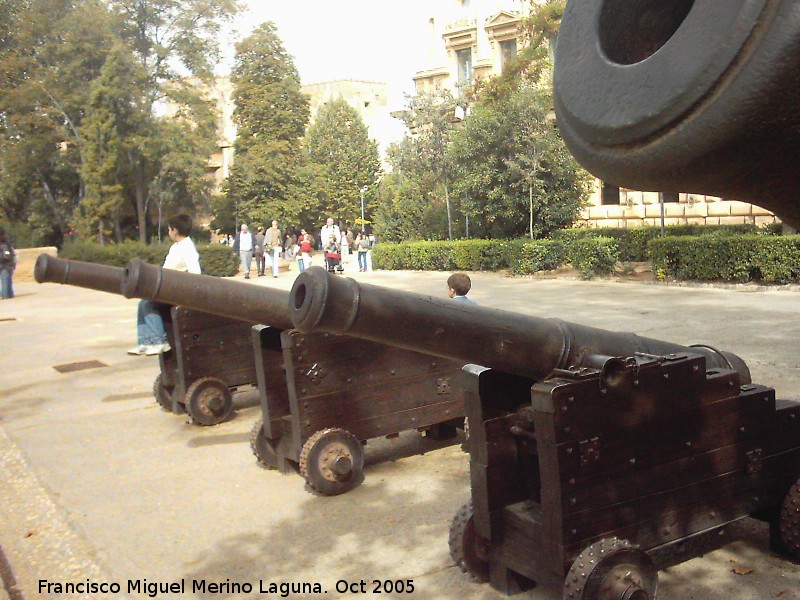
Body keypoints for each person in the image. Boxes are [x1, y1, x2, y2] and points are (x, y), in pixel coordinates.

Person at [129, 214, 200, 356]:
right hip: (169, 288)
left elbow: (195, 272)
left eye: (169, 229)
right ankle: (144, 342)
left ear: (175, 230)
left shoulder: (187, 247)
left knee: (148, 304)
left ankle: (160, 341)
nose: (168, 232)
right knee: (142, 303)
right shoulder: (177, 247)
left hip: (177, 292)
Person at [0, 227, 17, 300]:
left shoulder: (6, 244)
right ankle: (6, 295)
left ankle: (6, 294)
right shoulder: (6, 244)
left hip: (6, 264)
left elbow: (8, 254)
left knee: (6, 280)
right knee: (6, 280)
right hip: (6, 264)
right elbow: (9, 255)